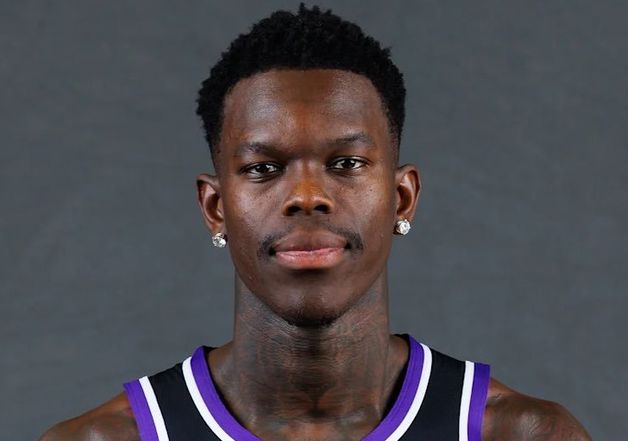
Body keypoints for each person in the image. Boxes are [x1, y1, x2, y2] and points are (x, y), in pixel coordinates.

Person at [39, 4, 591, 440]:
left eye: (346, 163)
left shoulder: (518, 434)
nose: (306, 197)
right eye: (264, 168)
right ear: (215, 208)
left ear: (402, 198)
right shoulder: (108, 438)